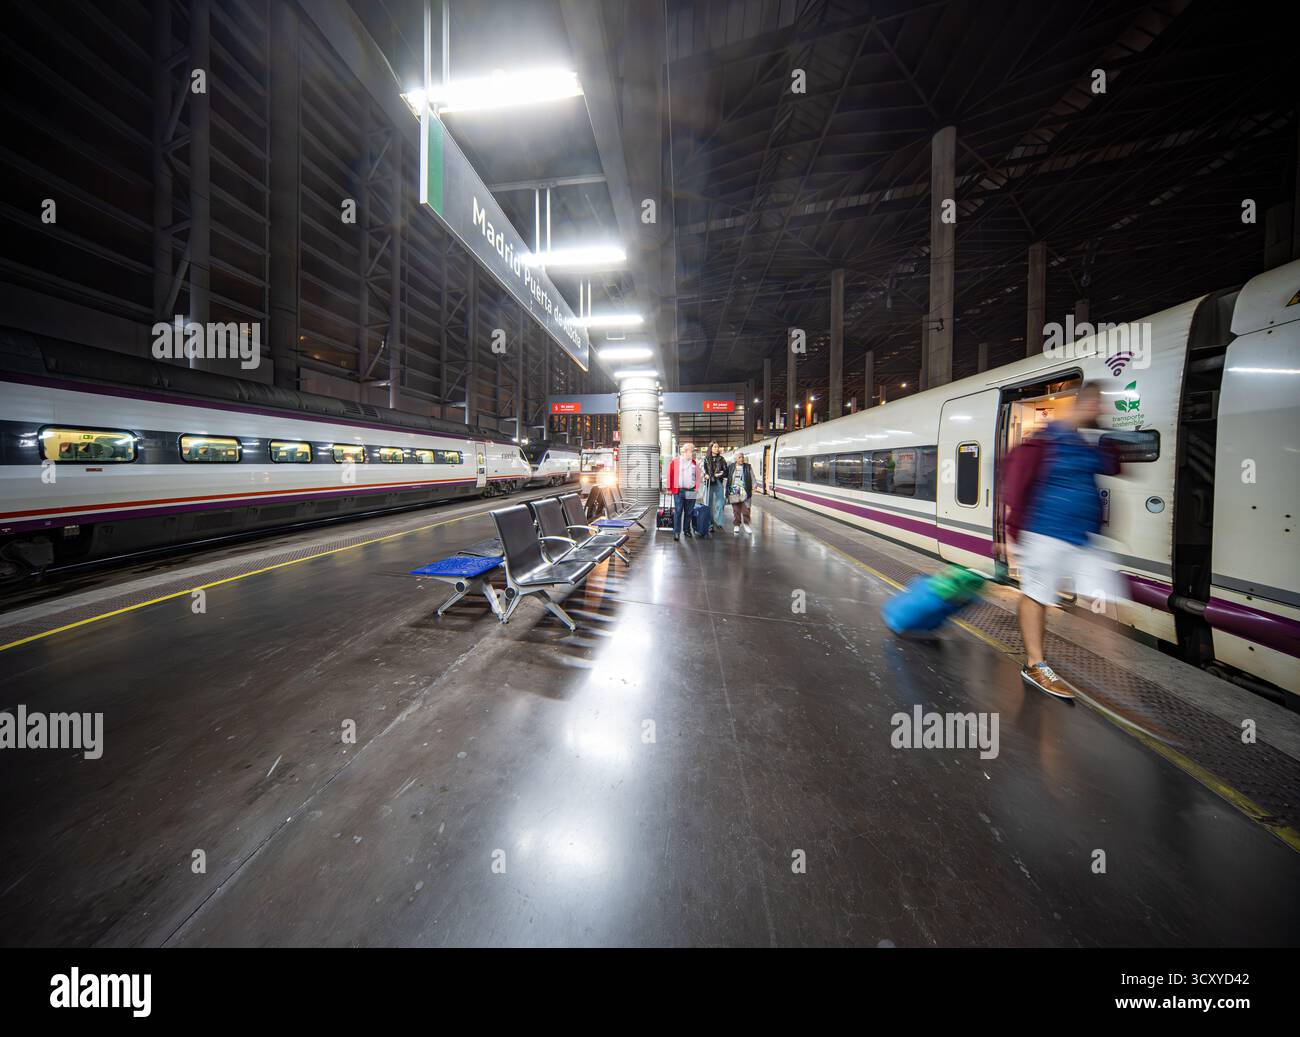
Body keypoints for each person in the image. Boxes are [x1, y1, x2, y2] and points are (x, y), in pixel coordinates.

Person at [1002, 381, 1124, 700]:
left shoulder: (1087, 444)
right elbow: (1014, 490)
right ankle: (1035, 664)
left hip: (1084, 539)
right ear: (1084, 403)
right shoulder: (1045, 441)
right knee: (1036, 595)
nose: (1102, 408)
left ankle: (1118, 683)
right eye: (1098, 403)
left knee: (1105, 602)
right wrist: (1011, 536)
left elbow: (1115, 465)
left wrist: (1104, 432)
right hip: (1044, 534)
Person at [665, 442, 701, 541]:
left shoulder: (694, 463)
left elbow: (698, 476)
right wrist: (669, 488)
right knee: (678, 511)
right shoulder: (675, 461)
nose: (692, 453)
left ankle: (686, 530)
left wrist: (696, 488)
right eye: (691, 450)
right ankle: (676, 532)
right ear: (685, 451)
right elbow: (669, 474)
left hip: (691, 490)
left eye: (692, 451)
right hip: (679, 490)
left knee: (689, 512)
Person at [701, 442, 728, 537]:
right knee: (708, 504)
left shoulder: (722, 459)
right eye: (715, 447)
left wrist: (719, 474)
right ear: (711, 448)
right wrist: (705, 475)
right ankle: (710, 524)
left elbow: (725, 471)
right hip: (708, 483)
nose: (717, 448)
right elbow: (703, 470)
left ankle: (719, 522)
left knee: (720, 503)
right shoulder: (705, 459)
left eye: (718, 447)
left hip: (718, 482)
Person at [725, 452, 754, 535]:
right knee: (736, 509)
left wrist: (755, 485)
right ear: (735, 459)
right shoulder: (731, 467)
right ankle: (737, 525)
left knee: (746, 509)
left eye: (742, 457)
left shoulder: (748, 467)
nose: (742, 459)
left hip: (745, 489)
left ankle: (746, 524)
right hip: (734, 489)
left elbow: (752, 476)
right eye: (739, 457)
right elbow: (725, 474)